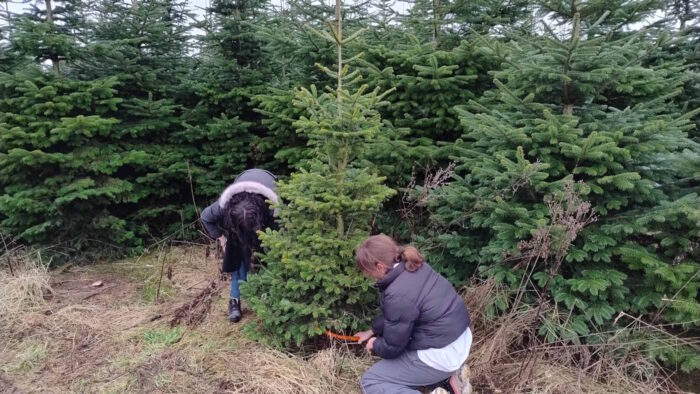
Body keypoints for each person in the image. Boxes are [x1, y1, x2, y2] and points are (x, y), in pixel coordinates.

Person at [354, 234, 472, 394]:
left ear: (380, 267)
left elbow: (393, 347)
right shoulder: (413, 265)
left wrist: (375, 345)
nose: (368, 276)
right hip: (459, 339)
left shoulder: (397, 294)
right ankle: (450, 382)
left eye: (368, 272)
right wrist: (373, 330)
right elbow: (401, 315)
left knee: (372, 381)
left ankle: (444, 375)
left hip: (443, 354)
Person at [201, 169, 278, 323]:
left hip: (266, 222)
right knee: (237, 253)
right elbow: (205, 217)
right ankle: (234, 301)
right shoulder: (225, 205)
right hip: (236, 226)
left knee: (270, 257)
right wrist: (222, 239)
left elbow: (284, 230)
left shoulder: (274, 209)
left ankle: (270, 299)